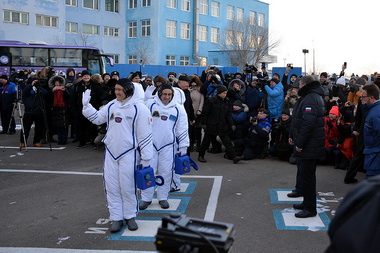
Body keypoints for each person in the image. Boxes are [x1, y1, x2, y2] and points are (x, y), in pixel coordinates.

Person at [82, 78, 153, 232]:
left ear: (128, 90)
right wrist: (87, 106)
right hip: (111, 153)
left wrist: (147, 158)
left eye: (120, 90)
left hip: (130, 153)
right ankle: (116, 217)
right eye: (116, 89)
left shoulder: (140, 109)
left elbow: (145, 136)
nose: (117, 92)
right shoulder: (112, 105)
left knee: (127, 187)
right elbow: (97, 118)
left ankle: (130, 216)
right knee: (112, 187)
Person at [139, 83, 189, 210]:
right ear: (160, 93)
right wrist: (144, 99)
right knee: (148, 172)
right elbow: (138, 116)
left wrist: (183, 146)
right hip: (151, 145)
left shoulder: (178, 108)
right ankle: (146, 198)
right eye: (164, 94)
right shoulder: (150, 104)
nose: (167, 97)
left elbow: (182, 128)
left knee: (166, 172)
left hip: (168, 146)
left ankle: (163, 197)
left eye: (169, 94)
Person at [289, 75, 325, 218]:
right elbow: (299, 121)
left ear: (306, 85)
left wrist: (300, 143)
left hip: (310, 145)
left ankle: (310, 208)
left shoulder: (311, 98)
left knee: (308, 178)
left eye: (300, 84)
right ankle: (306, 202)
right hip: (309, 144)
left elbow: (308, 124)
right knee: (305, 176)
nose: (299, 87)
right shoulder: (310, 97)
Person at [198, 85, 241, 164]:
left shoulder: (227, 102)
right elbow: (205, 113)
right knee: (206, 141)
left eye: (226, 93)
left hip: (222, 125)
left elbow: (228, 115)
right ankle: (201, 155)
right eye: (223, 93)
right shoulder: (211, 101)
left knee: (227, 142)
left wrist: (231, 124)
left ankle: (234, 156)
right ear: (219, 93)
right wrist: (203, 123)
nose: (225, 95)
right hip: (211, 124)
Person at [19, 76, 48, 148]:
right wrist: (31, 85)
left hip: (38, 111)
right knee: (26, 127)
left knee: (39, 128)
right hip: (29, 111)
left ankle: (36, 141)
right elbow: (25, 92)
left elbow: (46, 93)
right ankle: (23, 141)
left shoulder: (39, 89)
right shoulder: (27, 88)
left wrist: (39, 86)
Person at [361, 84, 380, 178]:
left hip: (376, 156)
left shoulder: (376, 113)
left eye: (363, 97)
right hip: (373, 154)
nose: (361, 99)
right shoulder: (372, 111)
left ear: (371, 97)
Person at [47, 75, 70, 145]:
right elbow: (48, 99)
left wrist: (64, 91)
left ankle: (64, 139)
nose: (57, 84)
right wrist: (52, 92)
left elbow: (68, 97)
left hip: (63, 109)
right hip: (55, 109)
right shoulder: (52, 91)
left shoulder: (64, 89)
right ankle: (60, 139)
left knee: (64, 125)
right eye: (56, 83)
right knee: (58, 125)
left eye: (58, 83)